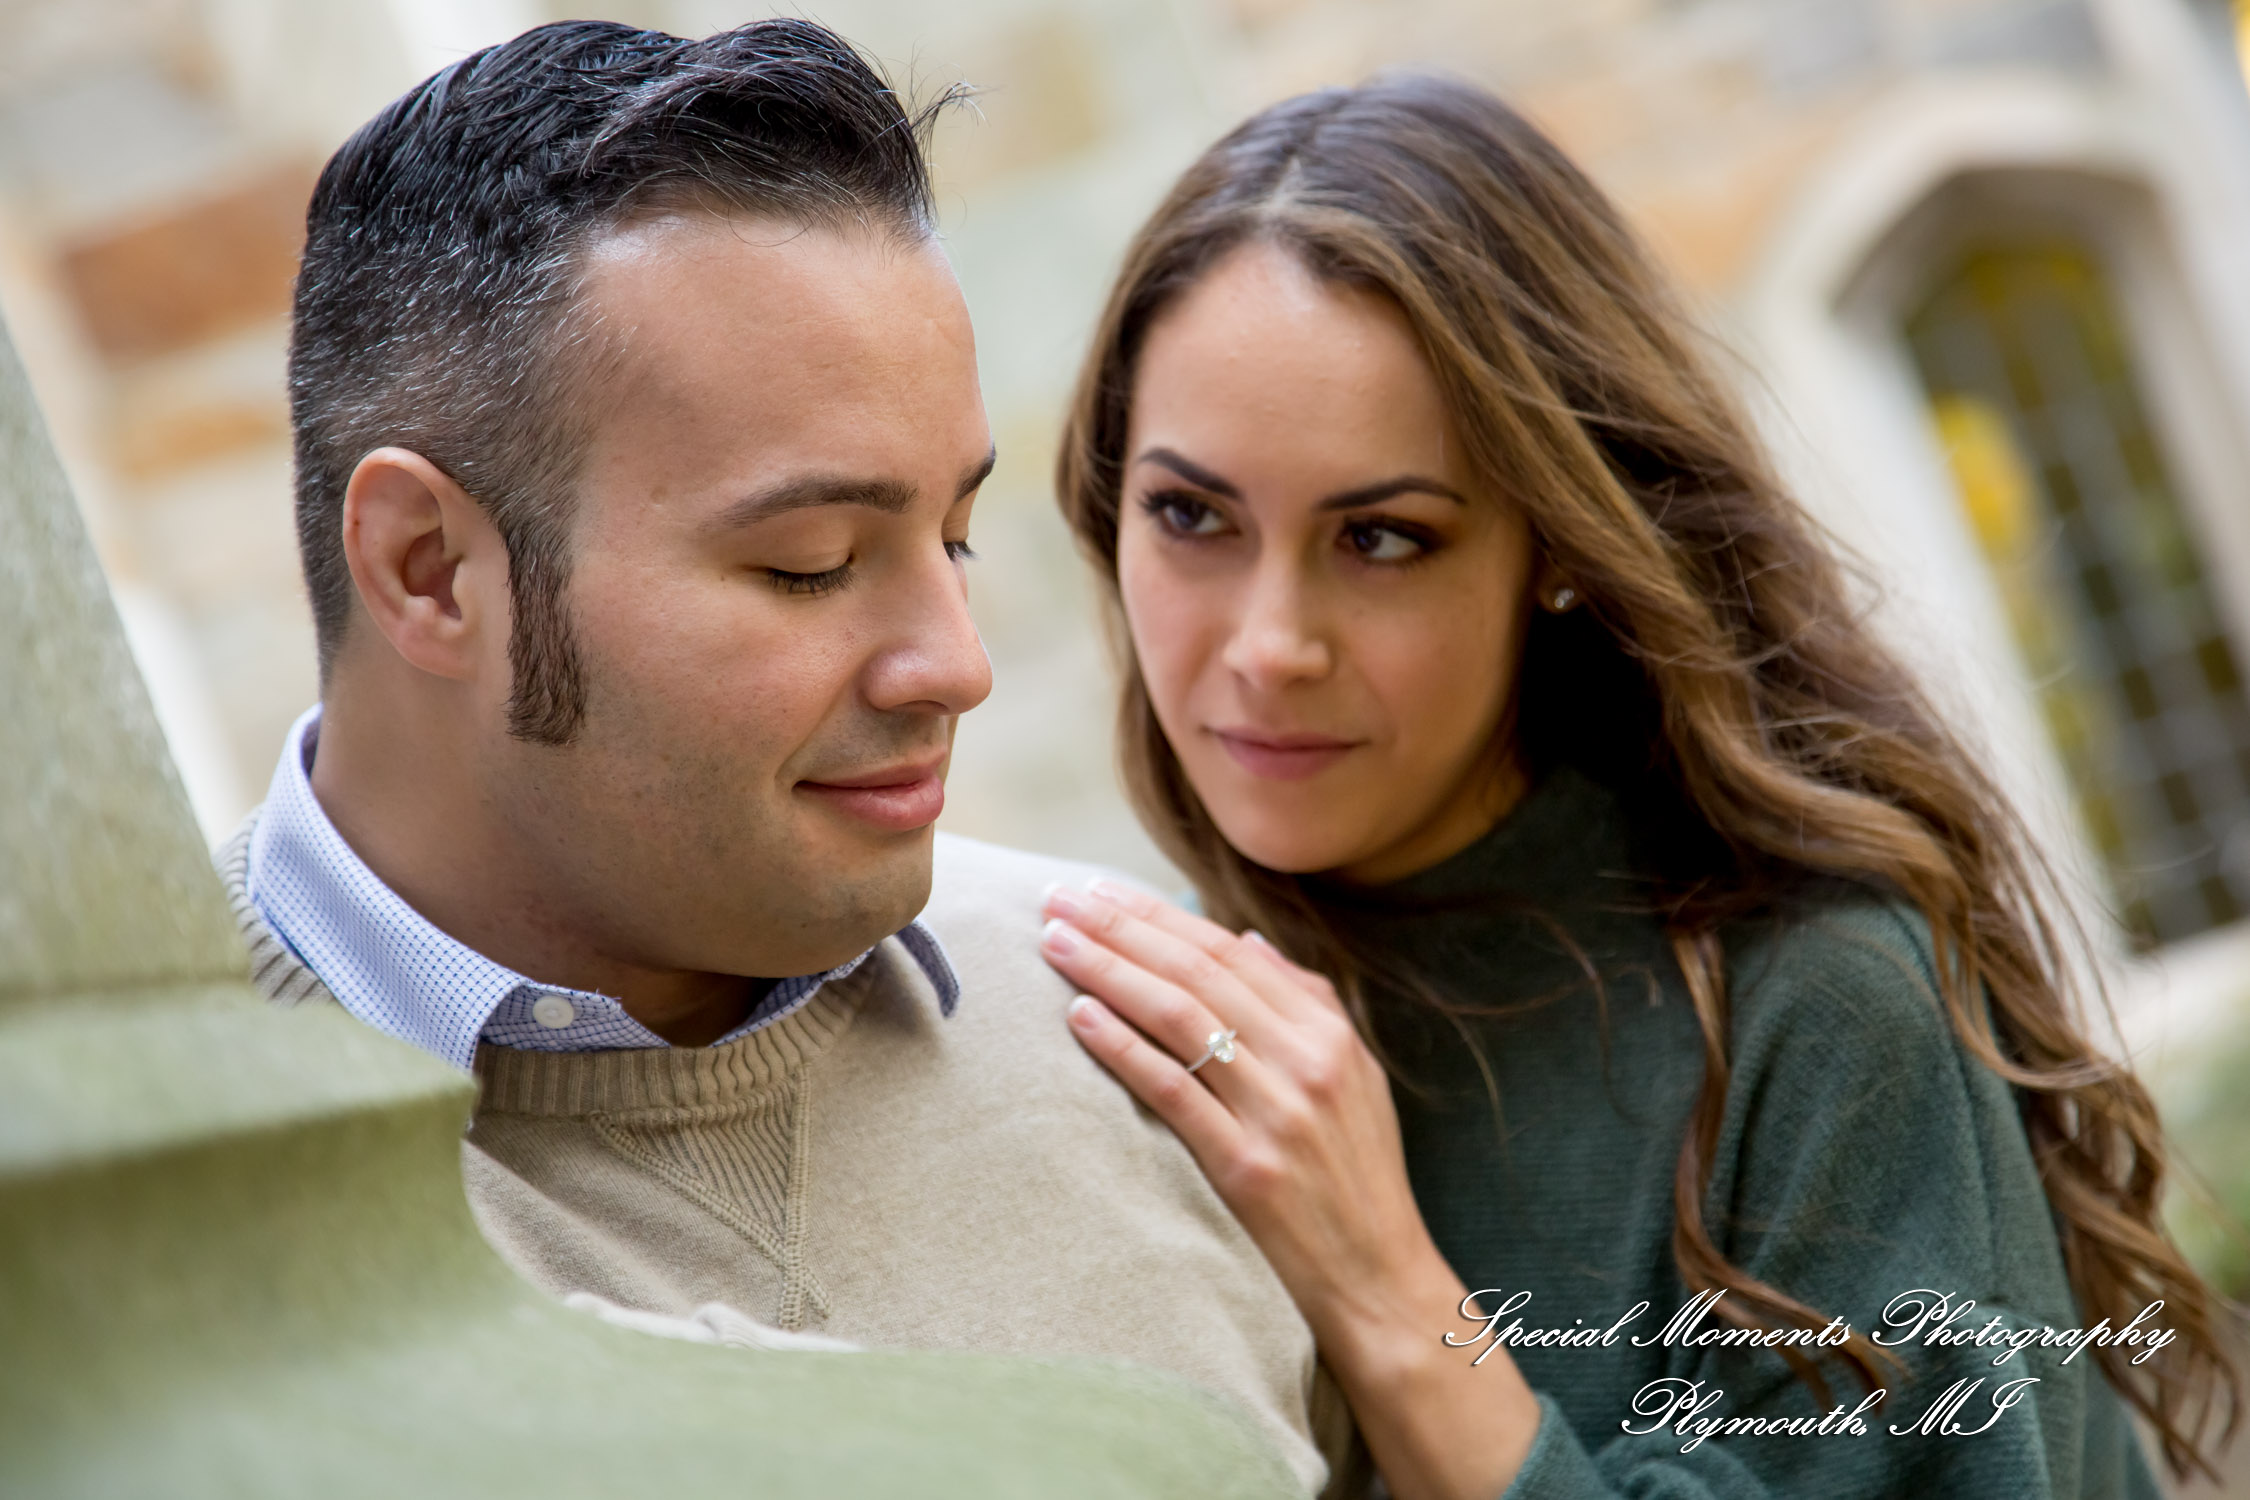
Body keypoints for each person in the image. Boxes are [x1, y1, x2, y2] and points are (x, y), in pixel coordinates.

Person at [1037, 75, 2240, 1500]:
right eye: (1189, 516)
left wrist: (1388, 1296)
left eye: (1380, 539)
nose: (1265, 646)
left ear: (1554, 545)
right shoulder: (1142, 1010)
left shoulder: (1818, 1002)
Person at [214, 20, 1340, 1494]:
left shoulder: (1153, 1031)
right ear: (430, 570)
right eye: (810, 563)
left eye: (953, 534)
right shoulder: (112, 1213)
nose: (958, 665)